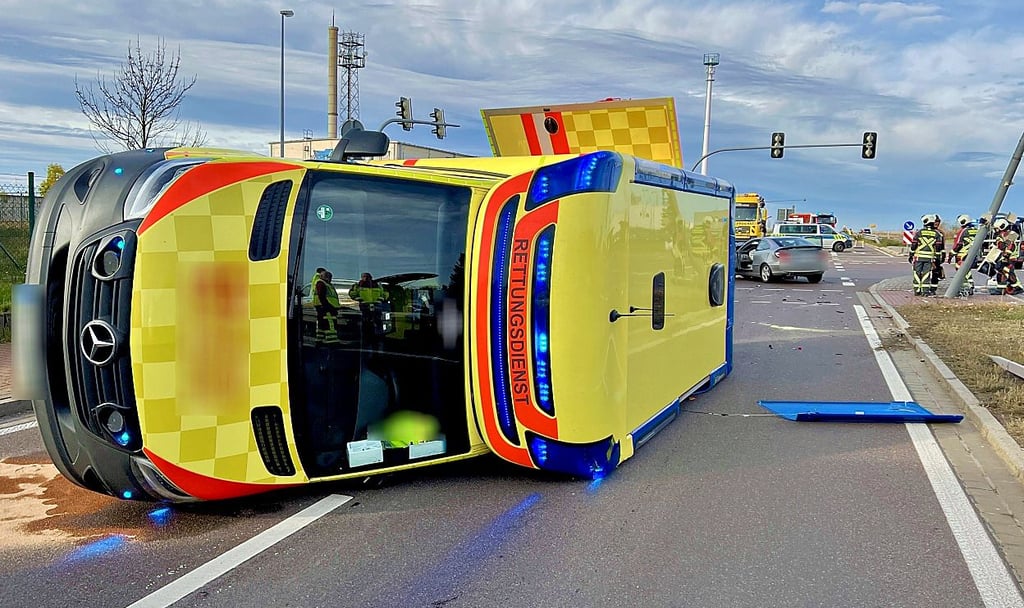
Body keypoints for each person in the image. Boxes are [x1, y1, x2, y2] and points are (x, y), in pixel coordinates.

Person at [908, 214, 943, 296]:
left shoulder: (919, 232)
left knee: (917, 273)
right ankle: (925, 291)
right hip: (929, 258)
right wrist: (937, 258)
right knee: (926, 274)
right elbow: (938, 247)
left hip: (918, 257)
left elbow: (914, 245)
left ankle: (917, 290)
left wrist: (911, 254)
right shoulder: (937, 234)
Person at [990, 218, 1024, 295]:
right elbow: (1001, 246)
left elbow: (1011, 246)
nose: (996, 230)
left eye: (997, 229)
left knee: (1007, 271)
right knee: (1001, 270)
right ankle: (1001, 288)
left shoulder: (1011, 234)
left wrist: (1006, 255)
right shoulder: (1002, 235)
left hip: (1010, 257)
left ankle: (1016, 286)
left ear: (1002, 227)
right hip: (1005, 256)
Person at [949, 214, 979, 292]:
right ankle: (970, 285)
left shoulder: (963, 231)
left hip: (963, 254)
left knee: (961, 270)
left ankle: (966, 286)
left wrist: (951, 254)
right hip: (973, 254)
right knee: (967, 270)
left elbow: (958, 244)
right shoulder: (976, 230)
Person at [311, 267, 341, 345]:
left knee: (322, 325)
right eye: (328, 277)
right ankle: (332, 341)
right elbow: (321, 296)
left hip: (324, 307)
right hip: (326, 307)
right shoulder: (321, 283)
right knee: (330, 324)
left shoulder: (326, 284)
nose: (330, 279)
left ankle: (319, 340)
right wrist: (328, 306)